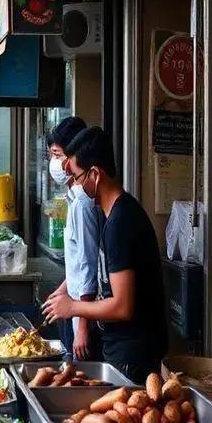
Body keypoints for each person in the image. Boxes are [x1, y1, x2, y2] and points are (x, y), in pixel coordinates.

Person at [42, 127, 168, 384]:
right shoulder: (114, 215)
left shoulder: (122, 222)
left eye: (77, 177)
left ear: (96, 174)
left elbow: (123, 306)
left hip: (132, 352)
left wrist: (73, 307)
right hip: (120, 346)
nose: (76, 185)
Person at [44, 117, 103, 360]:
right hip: (75, 306)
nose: (53, 163)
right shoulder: (74, 197)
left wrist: (81, 329)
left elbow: (89, 266)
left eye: (56, 154)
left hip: (84, 315)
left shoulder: (83, 203)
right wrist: (62, 290)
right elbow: (77, 262)